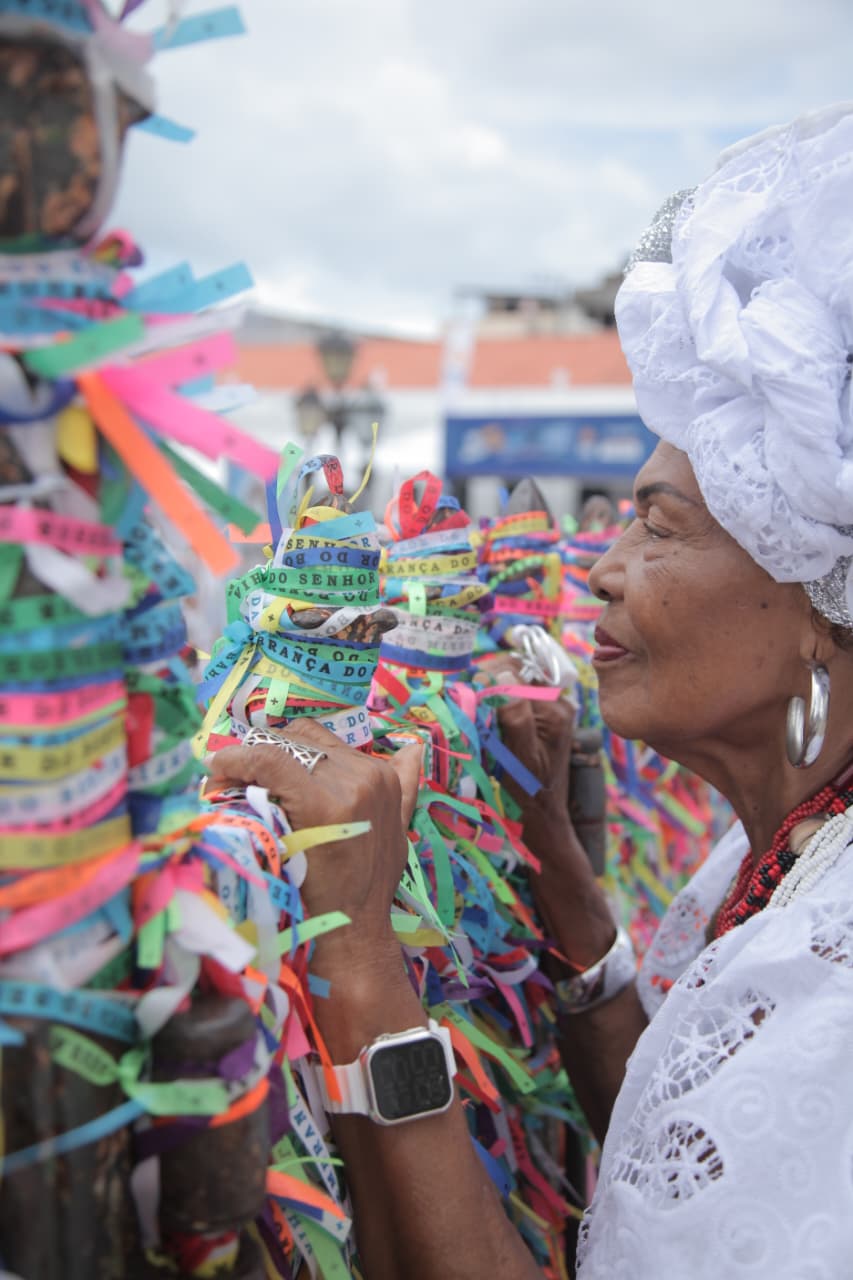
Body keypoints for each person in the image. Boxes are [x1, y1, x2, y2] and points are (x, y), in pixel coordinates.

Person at [208, 103, 853, 1278]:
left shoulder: (834, 974)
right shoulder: (791, 858)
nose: (600, 567)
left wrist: (359, 952)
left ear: (821, 596)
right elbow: (683, 1177)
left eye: (657, 525)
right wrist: (572, 901)